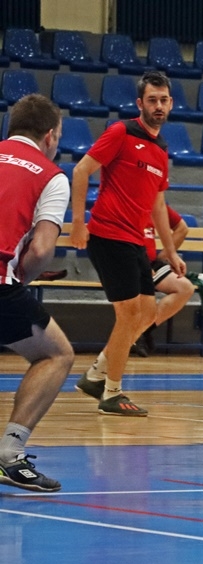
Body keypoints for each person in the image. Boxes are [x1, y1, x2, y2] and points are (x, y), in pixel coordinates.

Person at [70, 71, 186, 417]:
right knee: (129, 314)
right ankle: (112, 392)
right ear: (140, 103)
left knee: (147, 313)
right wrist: (78, 223)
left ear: (171, 103)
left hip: (136, 241)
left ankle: (96, 376)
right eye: (152, 100)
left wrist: (171, 250)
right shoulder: (121, 132)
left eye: (163, 100)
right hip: (108, 235)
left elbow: (158, 205)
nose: (158, 106)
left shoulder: (161, 150)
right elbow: (81, 171)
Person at [0, 94, 74, 492]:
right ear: (50, 135)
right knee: (56, 354)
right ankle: (9, 454)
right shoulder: (51, 175)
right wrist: (20, 278)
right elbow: (42, 250)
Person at [131, 204, 194, 357]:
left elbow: (182, 228)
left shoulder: (155, 203)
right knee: (140, 297)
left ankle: (142, 331)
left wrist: (166, 255)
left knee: (185, 288)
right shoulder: (128, 202)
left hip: (150, 263)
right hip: (129, 260)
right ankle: (132, 336)